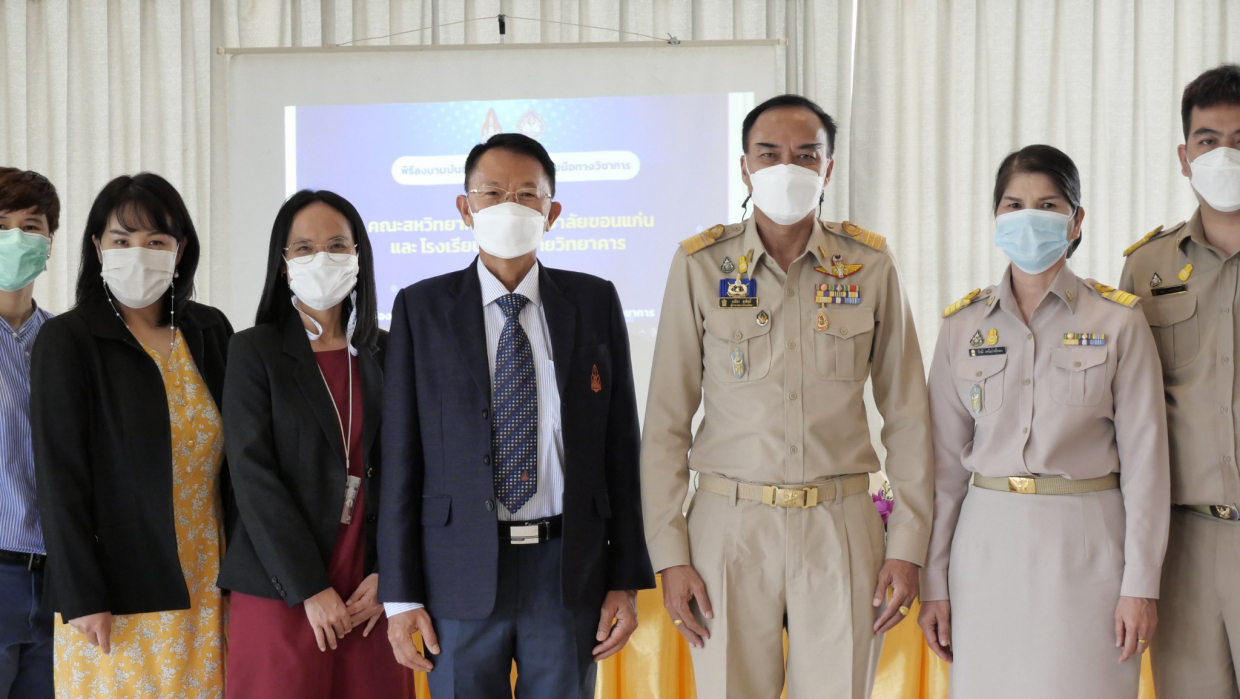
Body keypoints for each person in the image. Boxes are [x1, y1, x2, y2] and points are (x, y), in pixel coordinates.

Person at [641, 94, 933, 699]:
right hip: (729, 522)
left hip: (840, 521)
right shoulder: (701, 264)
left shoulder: (870, 264)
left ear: (828, 169)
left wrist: (907, 545)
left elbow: (907, 415)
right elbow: (667, 420)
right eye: (769, 154)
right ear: (744, 167)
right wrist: (670, 554)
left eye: (806, 155)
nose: (787, 168)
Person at [378, 132, 655, 698]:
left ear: (552, 212)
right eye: (492, 192)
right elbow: (401, 457)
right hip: (457, 571)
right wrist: (400, 597)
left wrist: (625, 580)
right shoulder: (421, 308)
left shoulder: (594, 301)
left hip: (568, 570)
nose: (510, 205)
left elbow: (621, 449)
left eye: (528, 194)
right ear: (465, 208)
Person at [921, 145, 1169, 698]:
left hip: (1088, 549)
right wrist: (933, 579)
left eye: (1048, 204)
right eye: (1014, 205)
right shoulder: (962, 326)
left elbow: (1147, 467)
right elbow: (942, 471)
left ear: (1076, 221)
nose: (1029, 217)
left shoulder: (1118, 320)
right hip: (984, 549)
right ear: (995, 217)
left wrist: (1141, 584)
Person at [30, 173, 233, 698]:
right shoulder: (68, 339)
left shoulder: (210, 331)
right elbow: (59, 479)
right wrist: (81, 594)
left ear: (180, 250)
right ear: (97, 248)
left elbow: (238, 465)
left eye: (155, 241)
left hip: (209, 576)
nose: (138, 253)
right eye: (121, 240)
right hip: (114, 592)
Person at [218, 190, 412, 698]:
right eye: (303, 248)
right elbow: (252, 477)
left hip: (371, 594)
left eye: (336, 246)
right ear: (283, 264)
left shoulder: (388, 351)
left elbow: (411, 470)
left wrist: (391, 575)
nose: (321, 258)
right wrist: (308, 586)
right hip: (281, 587)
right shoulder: (253, 350)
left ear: (358, 258)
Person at [1119, 63, 1240, 697]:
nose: (1225, 155)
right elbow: (1124, 413)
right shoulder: (1147, 267)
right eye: (1209, 140)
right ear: (1184, 156)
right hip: (1185, 543)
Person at [0, 168, 58, 699]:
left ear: (49, 242)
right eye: (1, 227)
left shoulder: (65, 343)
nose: (15, 239)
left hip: (60, 581)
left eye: (30, 226)